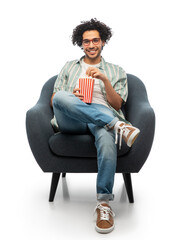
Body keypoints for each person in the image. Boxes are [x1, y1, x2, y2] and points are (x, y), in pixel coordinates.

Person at [50, 18, 140, 234]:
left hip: (103, 114)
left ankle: (104, 204)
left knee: (107, 138)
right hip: (73, 120)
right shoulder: (69, 67)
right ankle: (117, 125)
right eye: (86, 41)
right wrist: (75, 97)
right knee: (62, 96)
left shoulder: (116, 70)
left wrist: (104, 80)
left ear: (103, 42)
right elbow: (55, 98)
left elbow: (118, 103)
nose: (91, 45)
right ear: (81, 44)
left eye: (95, 40)